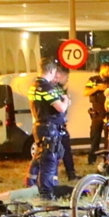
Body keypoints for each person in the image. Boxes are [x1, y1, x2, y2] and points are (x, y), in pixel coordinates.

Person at [25, 59, 71, 201]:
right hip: (48, 128)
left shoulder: (34, 86)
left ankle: (31, 184)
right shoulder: (46, 87)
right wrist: (65, 101)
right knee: (49, 161)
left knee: (39, 158)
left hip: (39, 126)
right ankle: (46, 193)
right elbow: (60, 108)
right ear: (51, 71)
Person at [84, 62, 109, 164]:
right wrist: (97, 88)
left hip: (108, 113)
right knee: (95, 137)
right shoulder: (93, 80)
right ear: (102, 68)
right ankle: (92, 160)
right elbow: (85, 92)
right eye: (107, 70)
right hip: (96, 113)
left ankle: (107, 160)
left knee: (108, 138)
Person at [55, 79, 78, 182]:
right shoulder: (52, 88)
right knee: (54, 153)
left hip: (60, 124)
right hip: (55, 126)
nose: (66, 79)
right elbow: (60, 108)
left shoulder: (57, 88)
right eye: (66, 77)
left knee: (65, 150)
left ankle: (71, 174)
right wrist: (65, 101)